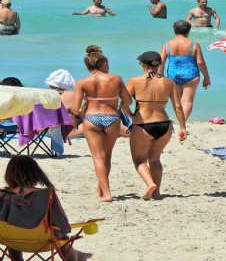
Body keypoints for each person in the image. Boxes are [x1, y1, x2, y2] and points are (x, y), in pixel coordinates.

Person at [72, 45, 132, 202]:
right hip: (112, 118)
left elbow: (75, 109)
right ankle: (103, 191)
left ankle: (104, 192)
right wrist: (114, 103)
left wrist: (88, 104)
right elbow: (128, 100)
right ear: (104, 63)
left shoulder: (82, 82)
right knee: (106, 157)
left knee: (98, 157)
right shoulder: (116, 78)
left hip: (91, 119)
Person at [0, 156, 89, 261]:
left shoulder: (2, 195)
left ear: (9, 175)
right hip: (43, 240)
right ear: (36, 173)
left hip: (9, 239)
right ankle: (76, 257)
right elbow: (60, 220)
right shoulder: (46, 195)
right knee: (60, 236)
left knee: (12, 227)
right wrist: (64, 230)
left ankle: (17, 258)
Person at [126, 51, 187, 200]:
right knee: (155, 159)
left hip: (143, 124)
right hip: (164, 125)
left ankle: (149, 184)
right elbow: (178, 106)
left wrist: (132, 116)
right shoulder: (169, 82)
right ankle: (157, 192)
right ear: (160, 64)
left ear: (142, 65)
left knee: (139, 160)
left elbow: (124, 103)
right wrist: (183, 127)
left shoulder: (134, 80)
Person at [159, 20, 211, 121]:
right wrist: (206, 77)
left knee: (177, 101)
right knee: (187, 101)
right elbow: (200, 62)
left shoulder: (167, 45)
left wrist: (160, 75)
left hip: (173, 75)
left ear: (174, 30)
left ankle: (180, 122)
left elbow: (161, 62)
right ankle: (182, 123)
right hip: (191, 74)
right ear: (188, 31)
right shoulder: (194, 44)